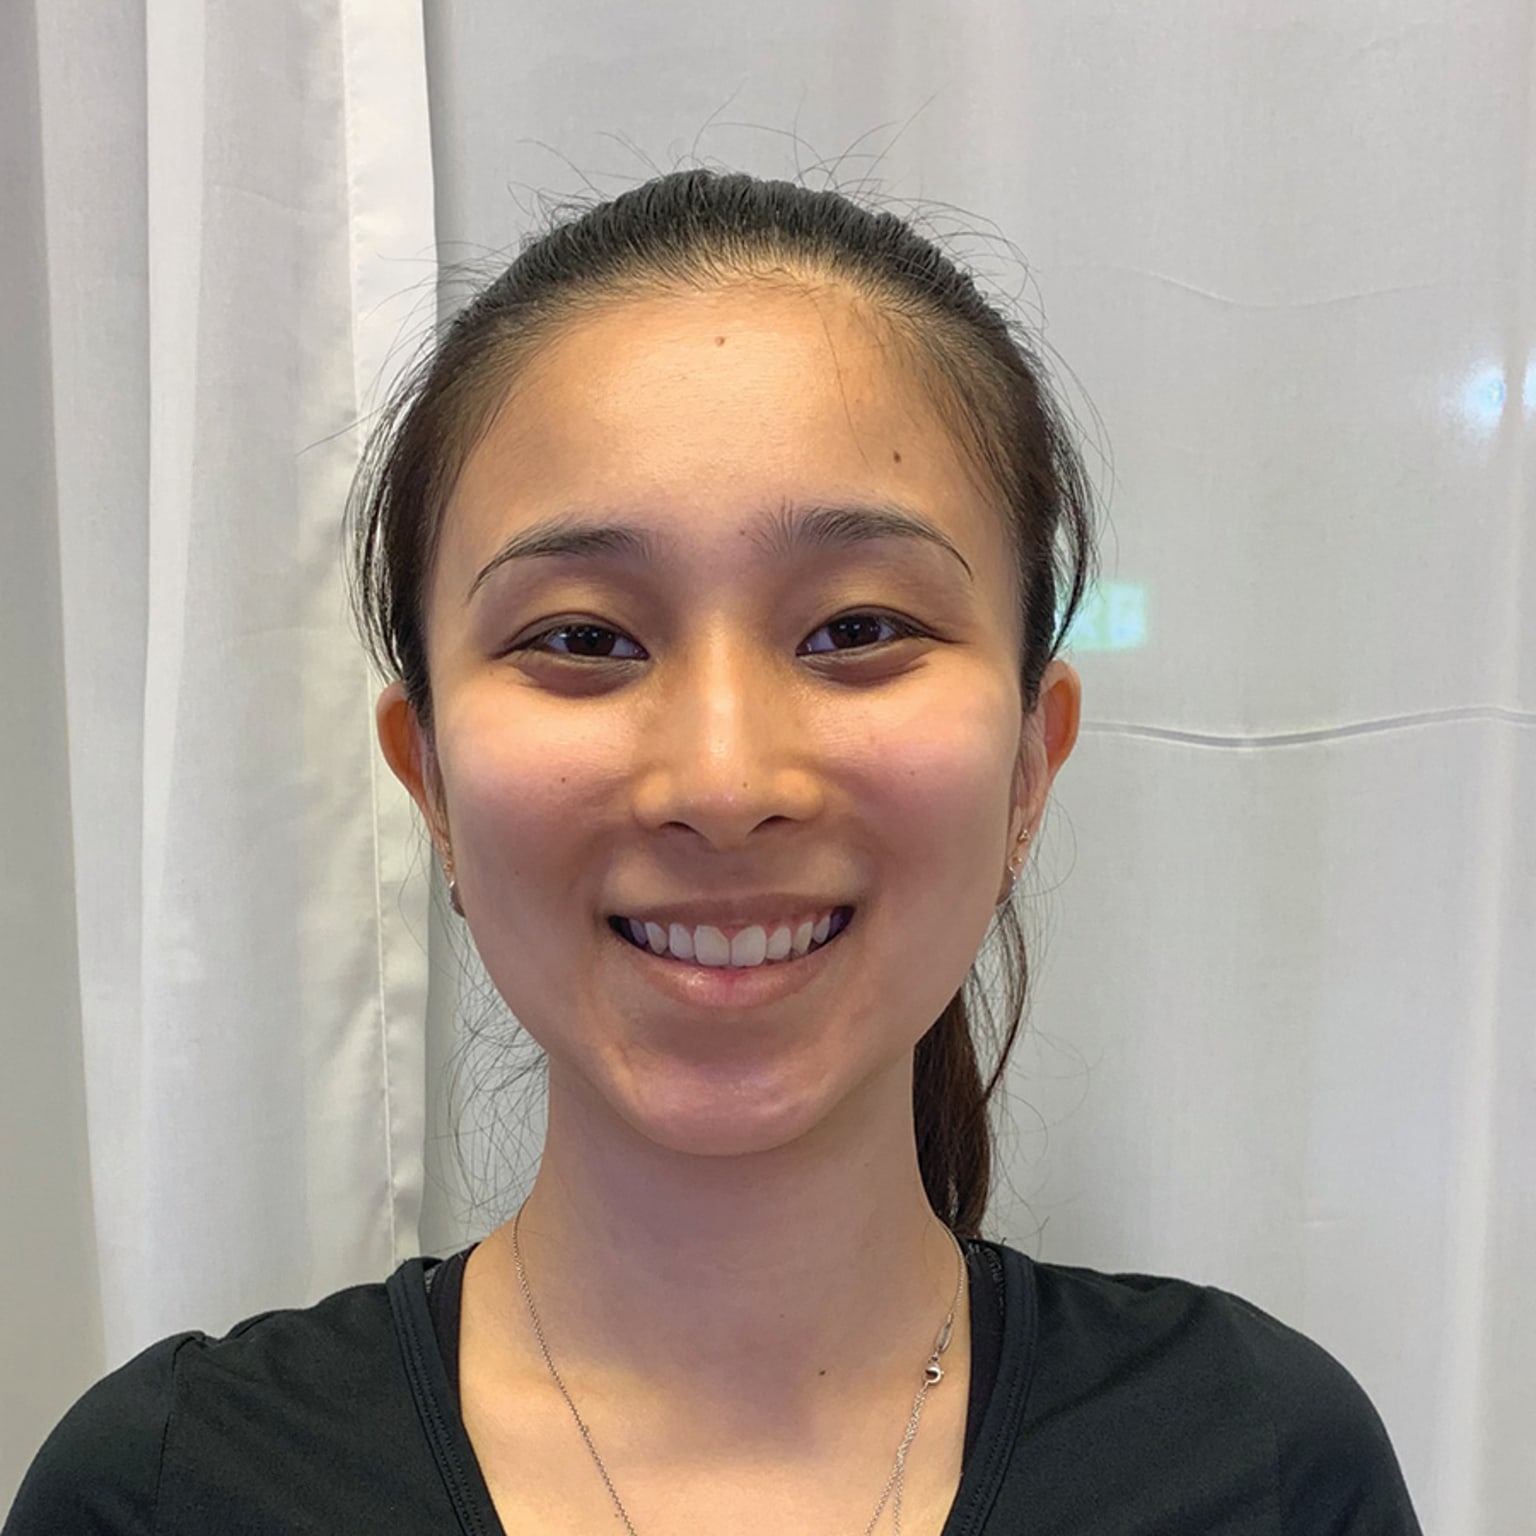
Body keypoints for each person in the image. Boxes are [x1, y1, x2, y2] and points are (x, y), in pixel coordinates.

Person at [4, 169, 1424, 1535]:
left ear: (1027, 766)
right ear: (429, 780)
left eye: (858, 629)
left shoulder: (1263, 1462)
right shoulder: (167, 1489)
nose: (725, 784)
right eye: (583, 638)